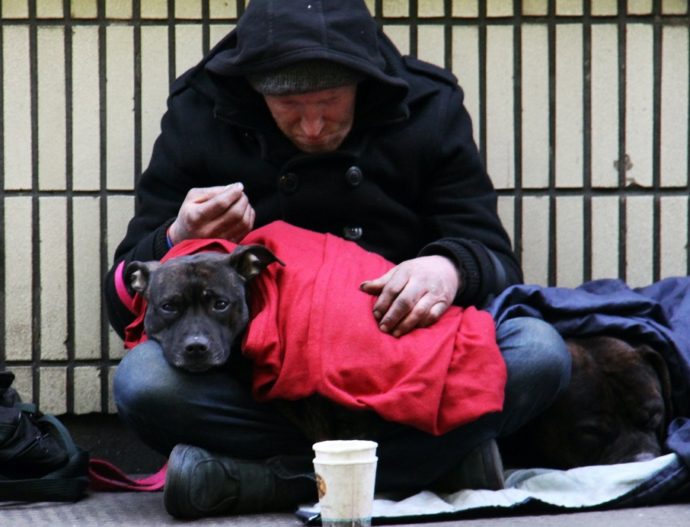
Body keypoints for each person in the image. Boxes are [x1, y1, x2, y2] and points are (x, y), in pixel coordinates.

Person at [103, 0, 571, 519]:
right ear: (256, 93)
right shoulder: (202, 109)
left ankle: (260, 481)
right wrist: (177, 234)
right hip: (260, 377)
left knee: (540, 351)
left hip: (400, 355)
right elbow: (124, 296)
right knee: (144, 383)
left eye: (329, 101)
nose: (312, 126)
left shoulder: (429, 104)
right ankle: (429, 465)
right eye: (288, 107)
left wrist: (446, 268)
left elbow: (493, 257)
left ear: (362, 82)